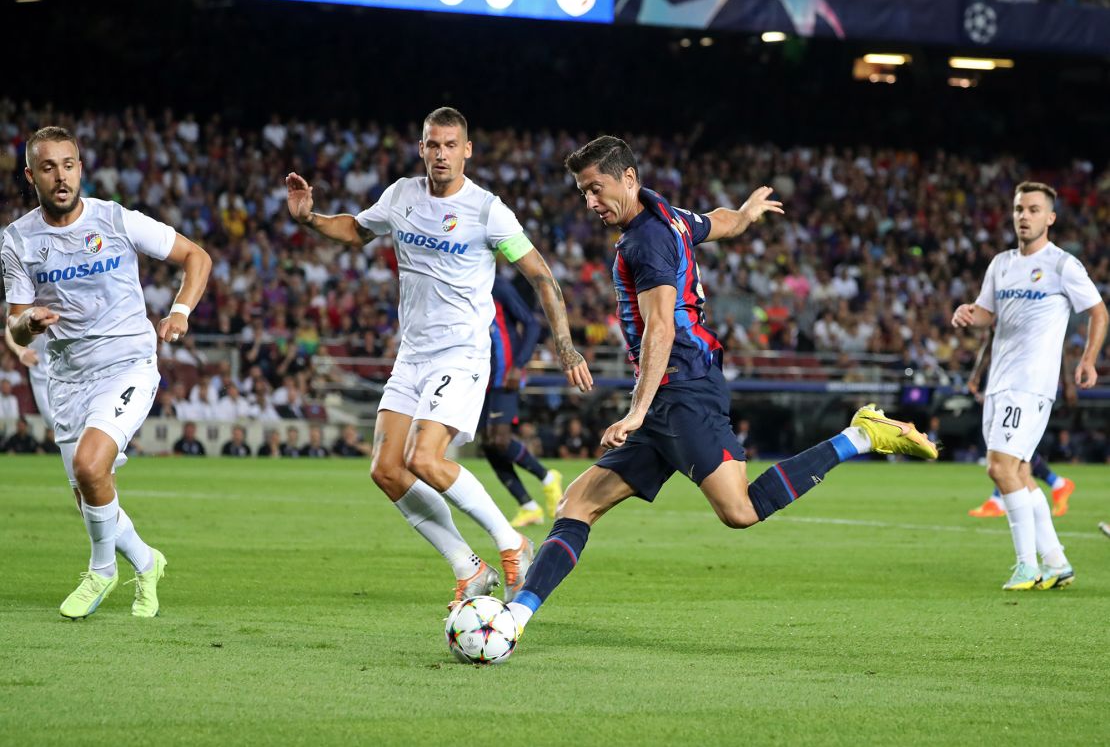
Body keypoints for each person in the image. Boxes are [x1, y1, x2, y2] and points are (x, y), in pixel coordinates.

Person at [503, 136, 937, 638]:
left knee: (740, 510)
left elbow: (660, 328)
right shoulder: (668, 214)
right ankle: (515, 618)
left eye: (596, 189)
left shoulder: (646, 240)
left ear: (628, 178)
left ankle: (861, 435)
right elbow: (718, 221)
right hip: (667, 392)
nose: (590, 203)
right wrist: (748, 214)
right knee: (577, 504)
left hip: (683, 390)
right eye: (583, 192)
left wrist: (637, 413)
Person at [286, 106, 592, 607]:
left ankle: (512, 539)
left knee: (423, 458)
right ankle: (467, 568)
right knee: (386, 469)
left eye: (451, 145)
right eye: (433, 144)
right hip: (413, 355)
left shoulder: (488, 210)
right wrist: (309, 218)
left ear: (467, 150)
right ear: (422, 147)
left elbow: (541, 275)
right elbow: (356, 230)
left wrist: (563, 343)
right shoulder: (402, 195)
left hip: (462, 354)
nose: (441, 154)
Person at [2, 126, 211, 619]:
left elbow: (195, 256)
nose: (61, 176)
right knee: (89, 492)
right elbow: (16, 321)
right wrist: (27, 322)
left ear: (81, 167)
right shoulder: (17, 241)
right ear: (31, 175)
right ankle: (146, 560)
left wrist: (179, 311)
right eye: (49, 167)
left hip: (128, 363)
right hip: (68, 378)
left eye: (69, 164)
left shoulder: (114, 219)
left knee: (90, 467)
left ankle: (101, 571)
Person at [952, 181, 1107, 590]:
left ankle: (1027, 565)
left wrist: (1089, 359)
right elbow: (988, 313)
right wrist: (969, 314)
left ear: (1050, 218)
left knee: (999, 467)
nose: (1025, 216)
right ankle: (1056, 562)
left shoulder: (1062, 265)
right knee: (1019, 471)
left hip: (1031, 384)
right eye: (1020, 209)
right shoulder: (1001, 264)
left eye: (1034, 210)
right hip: (1000, 381)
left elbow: (1098, 312)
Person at [479, 276, 564, 528]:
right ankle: (528, 506)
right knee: (487, 442)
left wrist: (518, 365)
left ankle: (547, 477)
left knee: (499, 439)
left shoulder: (498, 285)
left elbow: (531, 324)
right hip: (478, 375)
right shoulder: (468, 281)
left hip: (505, 374)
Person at [966, 326, 1075, 517]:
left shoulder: (1041, 308)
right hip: (1006, 384)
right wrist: (978, 375)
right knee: (1012, 449)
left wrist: (1067, 381)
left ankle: (1000, 500)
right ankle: (1056, 484)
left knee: (1010, 448)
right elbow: (992, 339)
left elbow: (1059, 342)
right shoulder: (1007, 305)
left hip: (1030, 387)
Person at [5, 324, 51, 424]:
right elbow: (10, 327)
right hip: (42, 376)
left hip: (81, 373)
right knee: (55, 425)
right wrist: (21, 350)